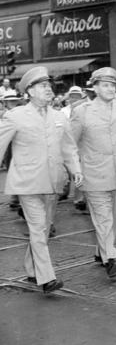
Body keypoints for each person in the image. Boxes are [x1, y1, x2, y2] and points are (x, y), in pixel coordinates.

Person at [0, 67, 83, 293]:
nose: (48, 89)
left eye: (48, 85)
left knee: (43, 229)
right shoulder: (14, 116)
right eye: (42, 86)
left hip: (54, 183)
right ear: (29, 91)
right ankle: (46, 279)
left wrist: (75, 169)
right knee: (38, 228)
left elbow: (68, 148)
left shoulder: (58, 117)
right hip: (27, 183)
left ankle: (31, 268)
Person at [70, 67, 116, 277]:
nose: (110, 89)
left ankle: (101, 251)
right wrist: (75, 169)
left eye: (112, 85)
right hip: (93, 174)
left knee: (112, 218)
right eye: (105, 85)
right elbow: (70, 144)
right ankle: (110, 257)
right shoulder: (81, 111)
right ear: (94, 87)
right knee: (103, 218)